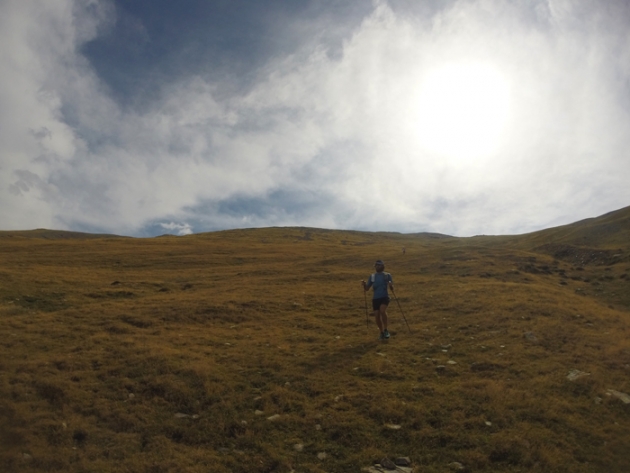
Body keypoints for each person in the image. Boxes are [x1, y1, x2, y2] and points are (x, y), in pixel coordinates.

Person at [362, 260, 394, 340]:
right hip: (375, 298)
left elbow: (391, 288)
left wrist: (390, 285)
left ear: (382, 266)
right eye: (376, 266)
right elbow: (367, 289)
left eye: (378, 265)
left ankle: (386, 330)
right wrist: (364, 285)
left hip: (384, 296)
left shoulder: (387, 275)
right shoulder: (372, 276)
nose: (377, 267)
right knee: (377, 316)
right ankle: (381, 332)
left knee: (382, 311)